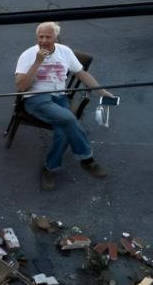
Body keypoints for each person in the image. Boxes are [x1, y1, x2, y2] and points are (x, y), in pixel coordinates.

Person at [15, 22, 116, 191]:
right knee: (69, 118)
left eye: (48, 37)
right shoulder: (28, 55)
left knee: (63, 130)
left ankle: (49, 168)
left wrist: (102, 92)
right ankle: (87, 159)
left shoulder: (65, 52)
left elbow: (81, 73)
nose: (44, 40)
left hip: (60, 97)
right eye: (41, 37)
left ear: (56, 37)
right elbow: (21, 86)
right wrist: (37, 62)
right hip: (36, 99)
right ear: (36, 37)